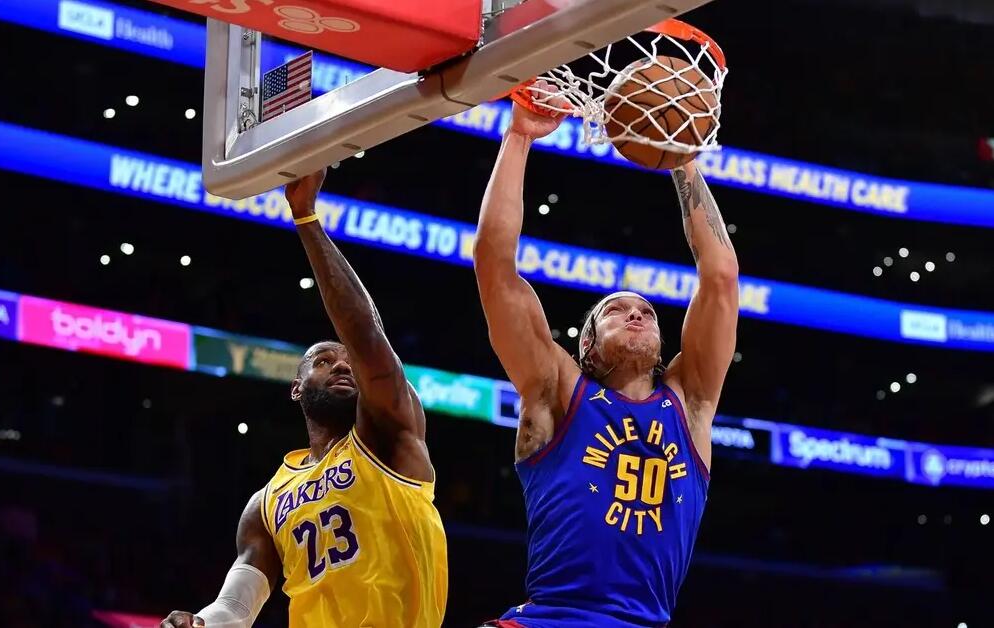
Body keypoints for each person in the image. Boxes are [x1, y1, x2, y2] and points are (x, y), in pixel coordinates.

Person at [472, 95, 738, 626]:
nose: (637, 314)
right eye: (616, 311)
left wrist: (681, 157)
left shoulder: (690, 402)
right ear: (587, 346)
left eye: (647, 313)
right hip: (550, 617)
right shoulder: (556, 391)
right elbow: (494, 264)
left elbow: (721, 276)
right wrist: (519, 136)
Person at [160, 170, 447, 628]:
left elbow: (367, 335)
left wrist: (306, 218)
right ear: (296, 388)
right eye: (324, 361)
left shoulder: (390, 435)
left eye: (348, 360)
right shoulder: (266, 503)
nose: (342, 365)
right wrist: (200, 623)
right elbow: (234, 609)